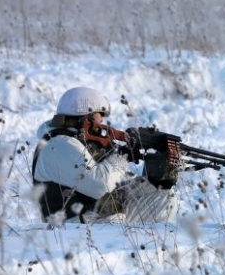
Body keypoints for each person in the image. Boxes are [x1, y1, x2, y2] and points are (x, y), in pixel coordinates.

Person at [32, 87, 180, 225]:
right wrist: (123, 155)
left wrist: (155, 178)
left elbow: (113, 186)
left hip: (93, 216)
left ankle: (149, 246)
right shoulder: (59, 145)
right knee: (113, 211)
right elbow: (100, 186)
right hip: (71, 229)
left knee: (164, 197)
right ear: (86, 117)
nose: (102, 120)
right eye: (100, 114)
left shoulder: (77, 141)